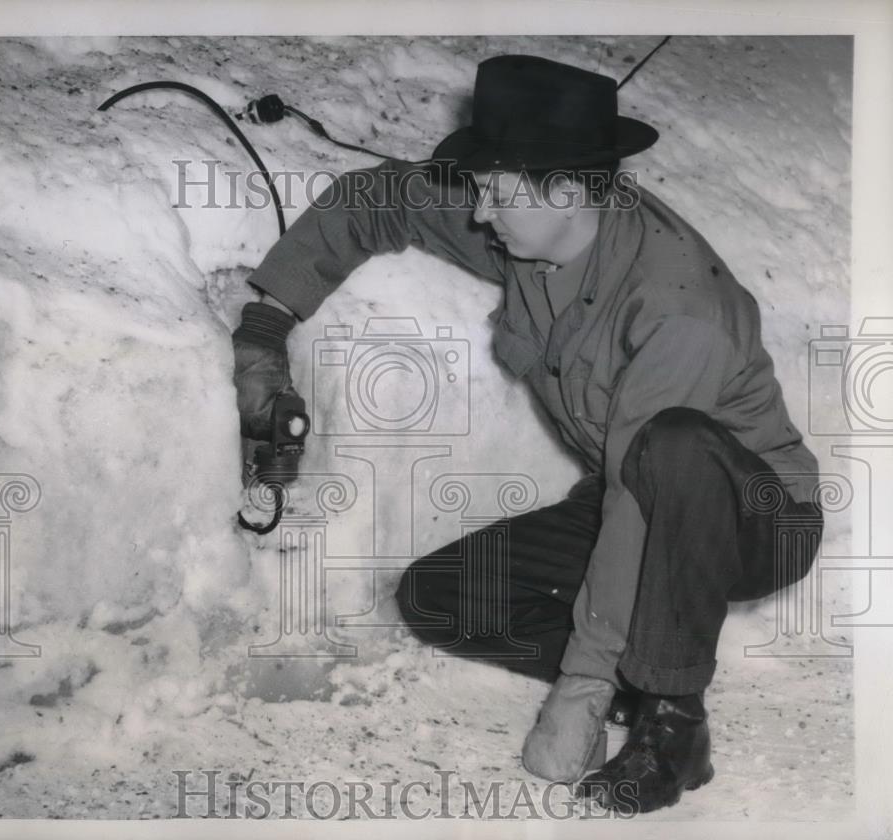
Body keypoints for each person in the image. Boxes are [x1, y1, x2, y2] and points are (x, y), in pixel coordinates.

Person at [231, 54, 823, 814]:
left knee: (672, 445)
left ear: (570, 191)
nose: (480, 214)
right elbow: (377, 197)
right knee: (442, 599)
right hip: (627, 489)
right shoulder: (533, 230)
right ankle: (642, 686)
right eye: (481, 192)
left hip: (754, 518)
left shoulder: (675, 306)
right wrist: (266, 324)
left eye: (495, 195)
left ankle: (673, 725)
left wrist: (577, 687)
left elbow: (647, 502)